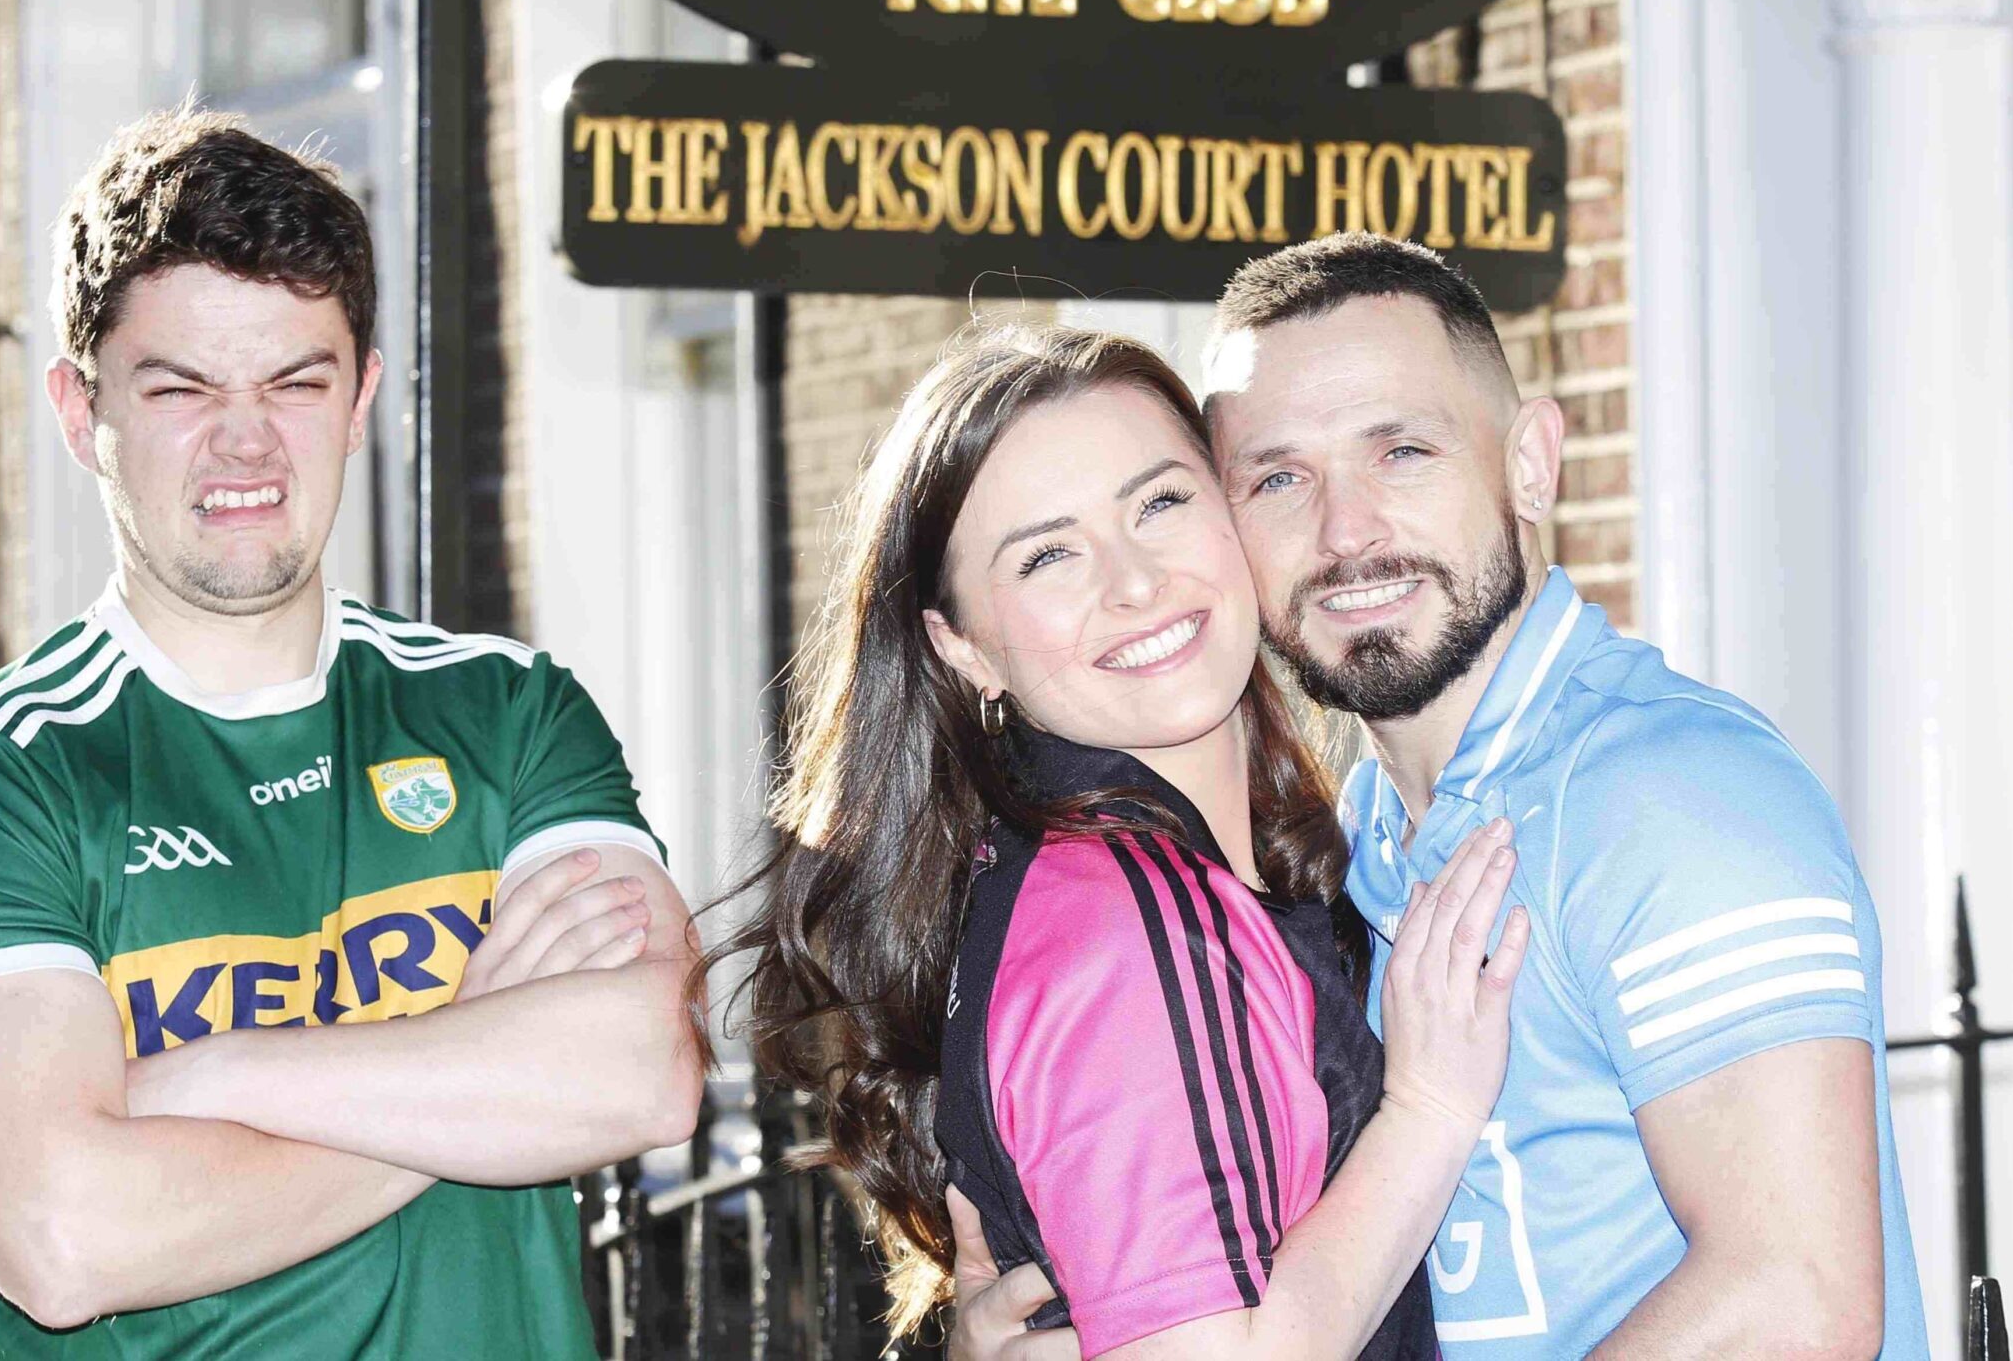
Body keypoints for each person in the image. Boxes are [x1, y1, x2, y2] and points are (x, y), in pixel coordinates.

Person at [955, 234, 1918, 1358]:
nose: (1346, 531)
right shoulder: (1340, 842)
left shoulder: (1675, 797)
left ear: (1529, 464)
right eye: (1276, 478)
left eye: (1402, 451)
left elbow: (1797, 1303)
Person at [0, 105, 699, 1356]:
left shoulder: (506, 711)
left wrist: (203, 1082)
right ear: (78, 409)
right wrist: (469, 1051)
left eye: (294, 382)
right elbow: (66, 1242)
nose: (244, 438)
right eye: (181, 387)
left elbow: (642, 1074)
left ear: (360, 394)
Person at [713, 320, 1532, 1358]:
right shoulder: (1125, 920)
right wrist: (1427, 1110)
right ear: (961, 646)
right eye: (1048, 556)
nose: (1134, 582)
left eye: (1160, 503)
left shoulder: (1179, 878)